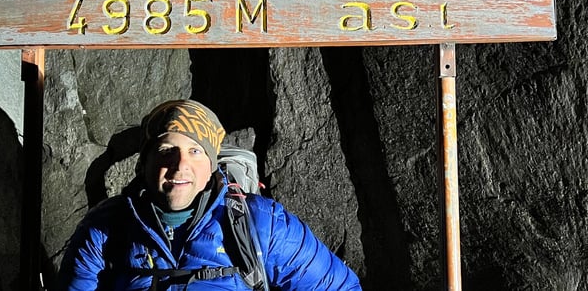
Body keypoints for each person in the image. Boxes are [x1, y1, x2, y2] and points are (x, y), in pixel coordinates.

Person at [54, 99, 362, 290]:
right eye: (166, 150)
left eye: (195, 151)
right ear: (144, 164)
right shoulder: (105, 227)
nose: (180, 166)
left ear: (212, 166)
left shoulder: (261, 223)